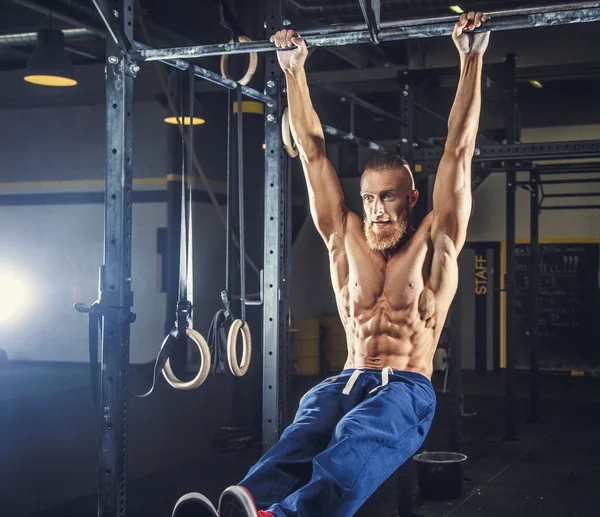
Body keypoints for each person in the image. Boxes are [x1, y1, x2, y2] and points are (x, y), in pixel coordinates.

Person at [174, 11, 490, 517]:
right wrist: (292, 69)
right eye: (369, 199)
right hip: (345, 377)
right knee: (302, 434)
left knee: (354, 439)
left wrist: (471, 58)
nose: (377, 210)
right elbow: (312, 153)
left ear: (411, 198)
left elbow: (460, 148)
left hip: (406, 390)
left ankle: (288, 516)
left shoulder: (437, 238)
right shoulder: (343, 235)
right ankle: (251, 505)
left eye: (389, 199)